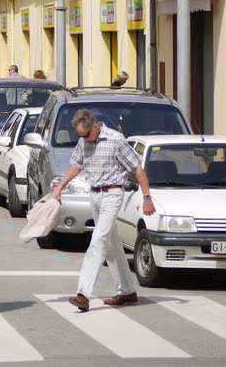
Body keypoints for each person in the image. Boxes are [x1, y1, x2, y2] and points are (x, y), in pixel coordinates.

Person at [50, 108, 154, 311]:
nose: (85, 140)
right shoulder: (84, 140)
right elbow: (76, 165)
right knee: (111, 245)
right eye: (81, 136)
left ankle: (83, 294)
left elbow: (137, 168)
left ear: (95, 125)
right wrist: (60, 187)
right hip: (94, 195)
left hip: (112, 194)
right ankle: (127, 291)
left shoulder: (115, 140)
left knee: (97, 241)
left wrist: (147, 197)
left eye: (87, 135)